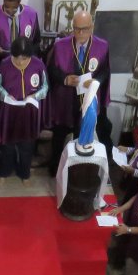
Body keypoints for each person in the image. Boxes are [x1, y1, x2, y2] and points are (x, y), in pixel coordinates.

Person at [45, 10, 112, 176]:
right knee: (59, 134)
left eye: (84, 29)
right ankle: (55, 166)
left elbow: (105, 71)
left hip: (88, 97)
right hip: (65, 98)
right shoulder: (60, 45)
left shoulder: (102, 46)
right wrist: (65, 79)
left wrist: (96, 82)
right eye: (76, 29)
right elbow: (50, 70)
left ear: (92, 27)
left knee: (80, 133)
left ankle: (74, 169)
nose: (80, 33)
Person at [0, 36, 48, 185]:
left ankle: (24, 174)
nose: (20, 62)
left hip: (29, 113)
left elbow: (45, 87)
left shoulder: (38, 65)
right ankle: (4, 172)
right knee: (7, 146)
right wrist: (5, 94)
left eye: (24, 59)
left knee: (27, 146)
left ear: (30, 56)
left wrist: (34, 95)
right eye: (16, 58)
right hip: (9, 113)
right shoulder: (5, 65)